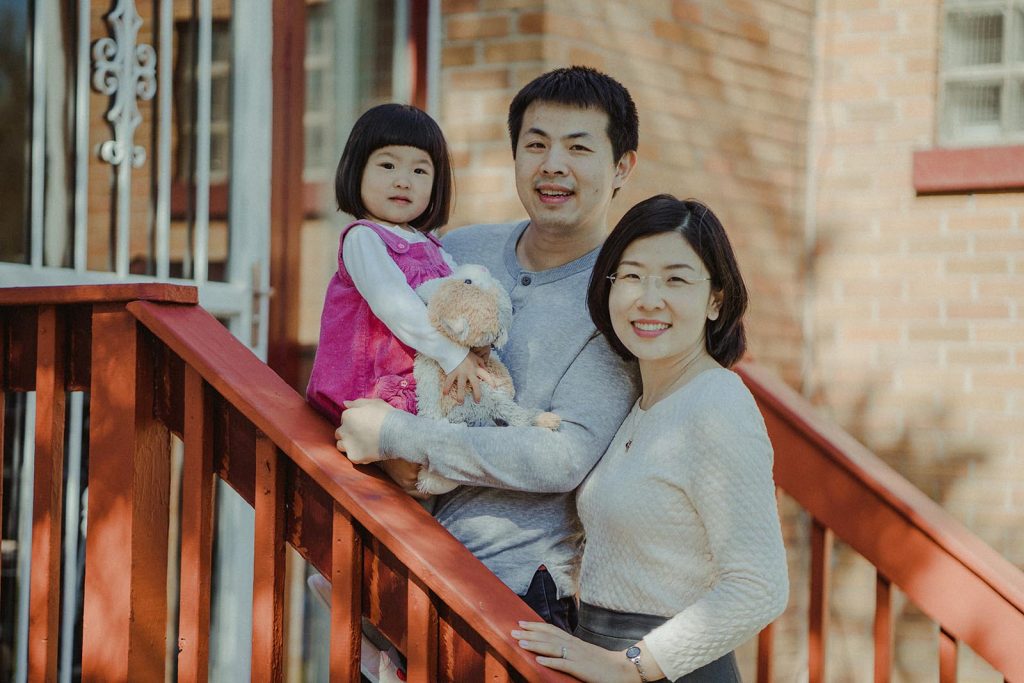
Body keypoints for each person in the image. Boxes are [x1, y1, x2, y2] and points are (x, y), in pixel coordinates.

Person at [336, 66, 642, 629]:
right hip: (403, 571)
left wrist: (402, 439)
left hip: (516, 594)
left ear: (621, 167)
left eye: (578, 147)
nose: (553, 165)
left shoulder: (621, 293)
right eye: (536, 144)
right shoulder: (459, 247)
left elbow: (563, 457)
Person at [511, 194, 789, 681]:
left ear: (715, 300)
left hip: (669, 668)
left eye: (676, 279)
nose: (648, 298)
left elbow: (759, 585)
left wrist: (633, 664)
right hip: (601, 652)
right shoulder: (638, 401)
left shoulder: (717, 404)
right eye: (633, 275)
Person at [305, 102, 491, 433]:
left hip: (419, 390)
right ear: (357, 170)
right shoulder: (363, 238)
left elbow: (457, 299)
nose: (403, 181)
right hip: (370, 392)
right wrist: (453, 354)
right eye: (388, 165)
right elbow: (395, 306)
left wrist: (477, 337)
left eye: (419, 171)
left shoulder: (432, 245)